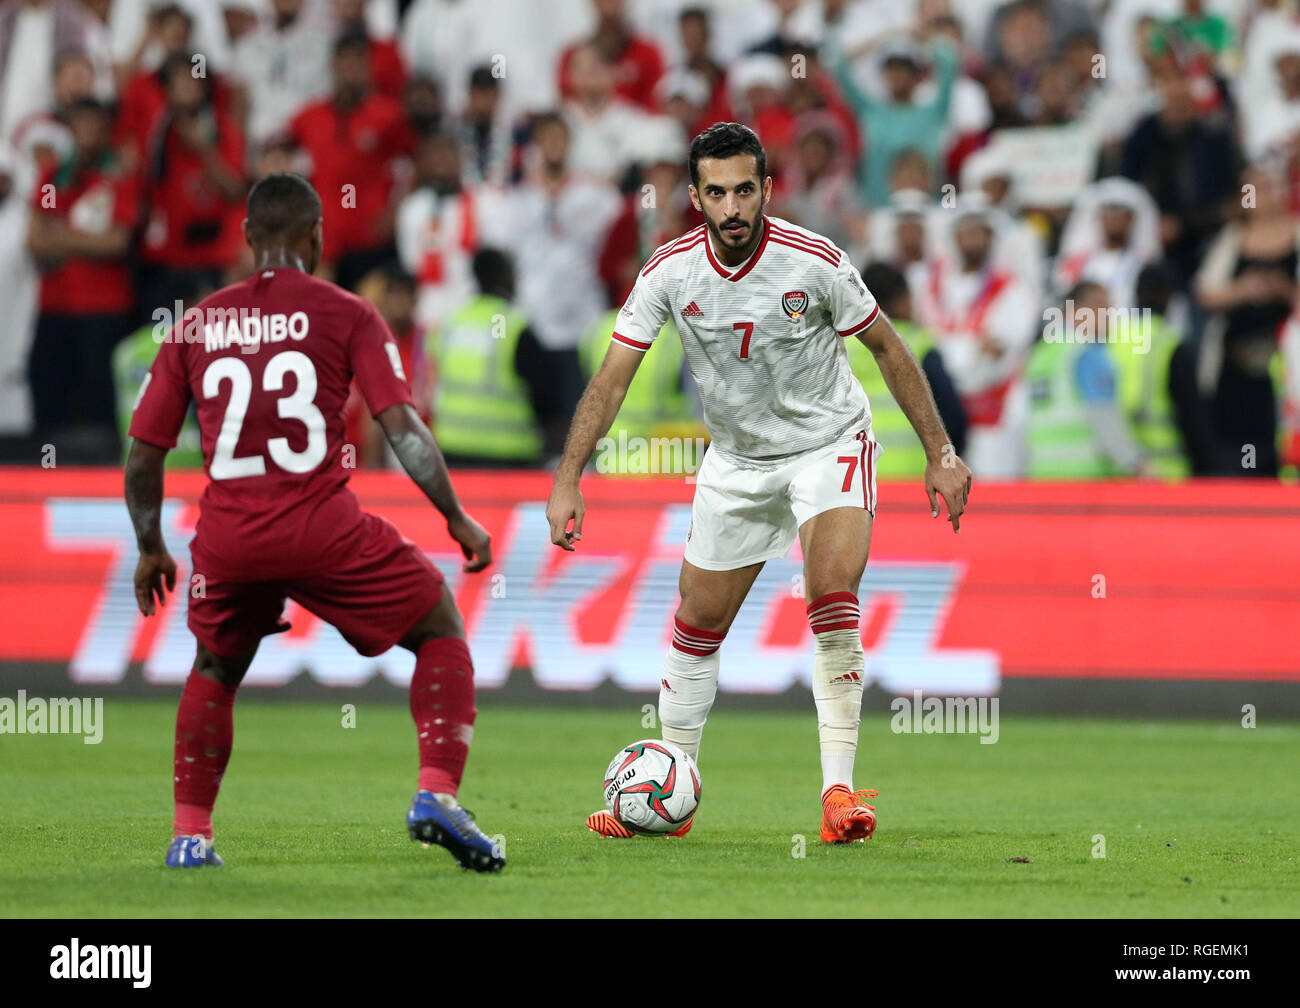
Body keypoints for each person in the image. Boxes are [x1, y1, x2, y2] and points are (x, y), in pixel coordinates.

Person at [545, 123, 971, 844]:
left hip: (828, 443)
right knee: (699, 620)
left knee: (831, 591)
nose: (733, 206)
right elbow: (612, 380)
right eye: (717, 193)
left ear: (767, 189)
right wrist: (567, 479)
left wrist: (941, 452)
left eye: (746, 189)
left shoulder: (815, 261)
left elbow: (888, 348)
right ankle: (668, 790)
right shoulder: (670, 273)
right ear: (696, 198)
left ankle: (839, 795)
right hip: (737, 463)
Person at [123, 172, 504, 873]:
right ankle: (437, 794)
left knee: (214, 667)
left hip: (230, 539)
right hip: (323, 529)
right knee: (439, 625)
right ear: (318, 237)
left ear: (244, 240)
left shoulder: (195, 324)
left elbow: (143, 454)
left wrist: (150, 548)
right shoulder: (349, 312)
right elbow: (403, 425)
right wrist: (456, 517)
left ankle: (190, 836)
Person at [1025, 281, 1146, 478]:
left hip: (1042, 476)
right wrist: (1137, 467)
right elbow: (1105, 419)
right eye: (1100, 307)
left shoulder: (1040, 354)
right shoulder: (1088, 352)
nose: (1109, 315)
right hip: (1086, 479)